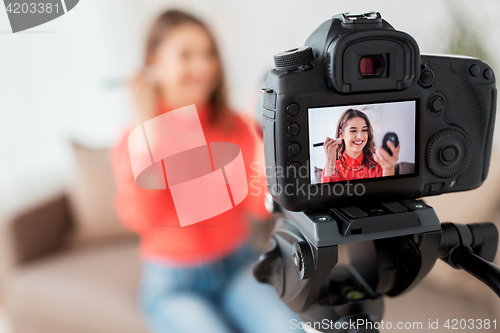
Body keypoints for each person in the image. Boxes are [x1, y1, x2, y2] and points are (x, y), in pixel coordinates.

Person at [111, 9, 298, 333]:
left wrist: (262, 136)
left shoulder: (234, 125)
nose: (202, 66)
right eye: (186, 55)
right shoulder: (139, 136)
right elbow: (140, 217)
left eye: (209, 54)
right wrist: (148, 135)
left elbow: (258, 208)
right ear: (153, 60)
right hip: (174, 283)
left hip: (239, 265)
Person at [322, 108, 399, 183]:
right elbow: (327, 194)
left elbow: (386, 193)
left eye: (364, 130)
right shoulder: (331, 168)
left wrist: (389, 169)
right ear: (341, 134)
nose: (360, 136)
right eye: (353, 131)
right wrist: (330, 161)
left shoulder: (377, 164)